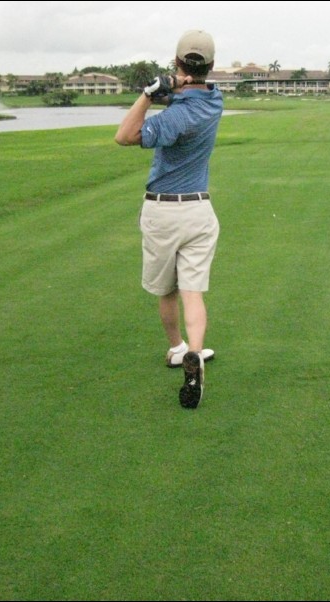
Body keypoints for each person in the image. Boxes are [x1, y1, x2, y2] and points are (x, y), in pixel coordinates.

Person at [115, 30, 222, 409]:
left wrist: (148, 94)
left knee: (168, 291)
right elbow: (189, 91)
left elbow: (124, 135)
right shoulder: (215, 100)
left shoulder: (171, 120)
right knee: (193, 291)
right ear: (210, 67)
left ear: (177, 63)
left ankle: (176, 348)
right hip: (199, 211)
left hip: (162, 211)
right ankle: (194, 351)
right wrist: (174, 88)